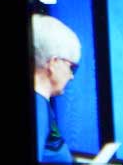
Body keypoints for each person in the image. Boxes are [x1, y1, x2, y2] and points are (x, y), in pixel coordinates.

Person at [32, 13, 85, 162]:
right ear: (54, 63)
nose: (71, 76)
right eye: (72, 68)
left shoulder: (40, 103)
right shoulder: (37, 108)